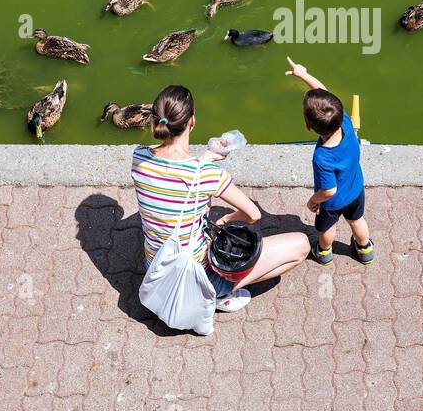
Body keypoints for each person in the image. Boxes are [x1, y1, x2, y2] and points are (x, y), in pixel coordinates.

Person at [130, 85, 309, 315]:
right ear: (192, 121)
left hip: (155, 269)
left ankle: (213, 291)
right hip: (194, 279)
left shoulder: (139, 157)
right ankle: (218, 294)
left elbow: (175, 170)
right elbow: (253, 215)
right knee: (301, 244)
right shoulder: (208, 175)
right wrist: (225, 219)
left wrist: (204, 159)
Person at [283, 57, 373, 266]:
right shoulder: (346, 123)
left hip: (332, 202)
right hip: (356, 189)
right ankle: (365, 249)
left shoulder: (322, 157)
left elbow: (329, 190)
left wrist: (314, 200)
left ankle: (323, 252)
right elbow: (325, 92)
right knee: (357, 221)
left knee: (326, 229)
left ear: (308, 127)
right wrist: (304, 75)